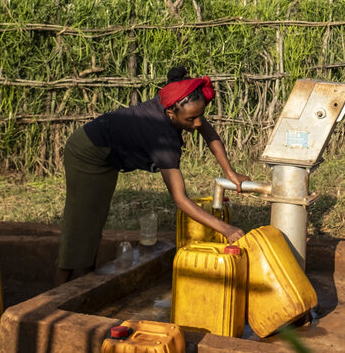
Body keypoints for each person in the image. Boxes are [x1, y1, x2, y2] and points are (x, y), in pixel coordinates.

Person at [54, 66, 249, 285]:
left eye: (199, 115)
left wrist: (229, 171)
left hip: (108, 152)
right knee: (80, 221)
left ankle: (83, 280)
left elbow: (206, 129)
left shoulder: (176, 102)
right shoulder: (162, 138)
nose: (196, 123)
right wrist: (227, 229)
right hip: (87, 151)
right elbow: (180, 199)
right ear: (170, 113)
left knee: (94, 217)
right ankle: (58, 291)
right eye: (191, 119)